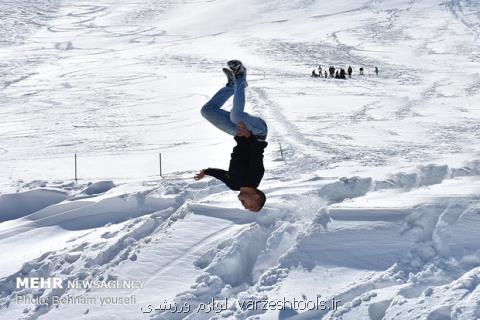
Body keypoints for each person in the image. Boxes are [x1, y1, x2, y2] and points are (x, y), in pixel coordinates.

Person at [196, 60, 268, 212]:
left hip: (239, 135)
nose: (245, 206)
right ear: (256, 196)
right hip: (257, 133)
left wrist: (207, 172)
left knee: (207, 111)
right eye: (251, 206)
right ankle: (240, 77)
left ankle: (231, 86)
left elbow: (222, 174)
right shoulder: (255, 178)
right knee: (236, 116)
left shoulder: (234, 185)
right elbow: (256, 153)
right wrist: (249, 135)